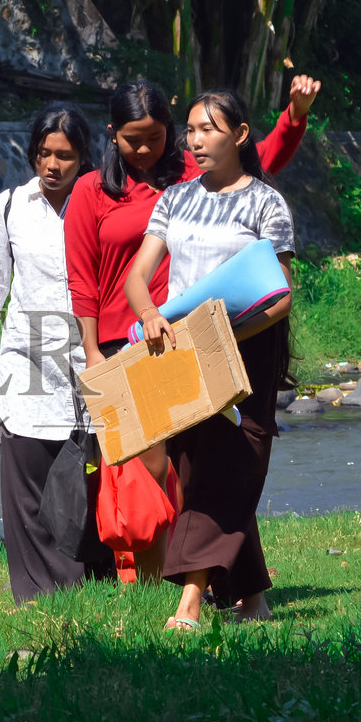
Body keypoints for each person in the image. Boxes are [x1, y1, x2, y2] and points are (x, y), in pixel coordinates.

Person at [62, 75, 316, 577]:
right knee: (169, 465)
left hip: (202, 338)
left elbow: (257, 159)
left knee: (212, 464)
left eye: (156, 136)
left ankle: (195, 585)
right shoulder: (101, 190)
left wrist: (294, 116)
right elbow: (82, 276)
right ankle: (187, 578)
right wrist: (95, 346)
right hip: (134, 339)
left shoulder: (190, 180)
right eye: (132, 137)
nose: (144, 147)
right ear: (111, 134)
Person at [124, 89, 298, 628]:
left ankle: (190, 602)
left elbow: (282, 294)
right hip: (176, 347)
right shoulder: (175, 199)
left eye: (209, 130)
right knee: (196, 469)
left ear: (241, 135)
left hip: (245, 348)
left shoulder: (267, 203)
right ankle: (252, 598)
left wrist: (227, 333)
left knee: (226, 468)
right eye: (192, 131)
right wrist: (150, 313)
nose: (195, 141)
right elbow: (137, 275)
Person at [0, 103, 112, 604]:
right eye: (44, 154)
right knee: (27, 479)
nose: (52, 165)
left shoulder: (99, 204)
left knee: (88, 473)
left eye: (65, 156)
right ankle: (33, 590)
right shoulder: (12, 205)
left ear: (84, 159)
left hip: (90, 358)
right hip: (25, 360)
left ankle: (94, 578)